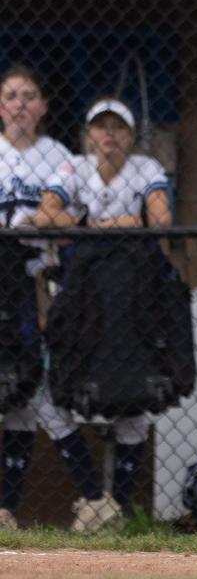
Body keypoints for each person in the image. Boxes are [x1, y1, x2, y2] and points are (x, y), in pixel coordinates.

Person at [33, 96, 173, 531]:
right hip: (84, 301)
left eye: (117, 128)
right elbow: (44, 217)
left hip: (132, 301)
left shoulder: (145, 168)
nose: (108, 135)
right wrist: (112, 224)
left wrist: (88, 226)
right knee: (52, 399)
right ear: (89, 134)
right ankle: (94, 497)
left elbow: (161, 219)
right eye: (100, 127)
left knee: (138, 404)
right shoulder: (74, 167)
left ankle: (116, 508)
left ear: (130, 136)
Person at [0, 64, 76, 530]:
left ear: (44, 106)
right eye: (11, 95)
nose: (21, 104)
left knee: (28, 393)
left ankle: (6, 509)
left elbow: (70, 224)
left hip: (35, 284)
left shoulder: (58, 156)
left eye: (30, 95)